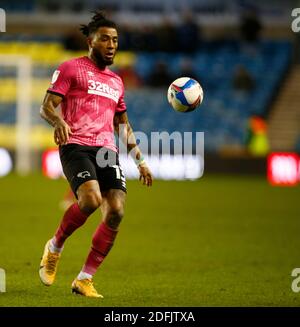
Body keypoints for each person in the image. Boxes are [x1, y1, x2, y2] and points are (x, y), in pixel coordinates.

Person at [39, 11, 153, 298]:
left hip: (106, 151)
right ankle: (55, 247)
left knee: (116, 211)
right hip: (75, 144)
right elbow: (47, 106)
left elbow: (122, 125)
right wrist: (59, 121)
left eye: (115, 40)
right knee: (90, 200)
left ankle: (84, 279)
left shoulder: (117, 82)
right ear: (90, 42)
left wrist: (140, 160)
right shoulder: (70, 69)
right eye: (105, 39)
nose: (111, 45)